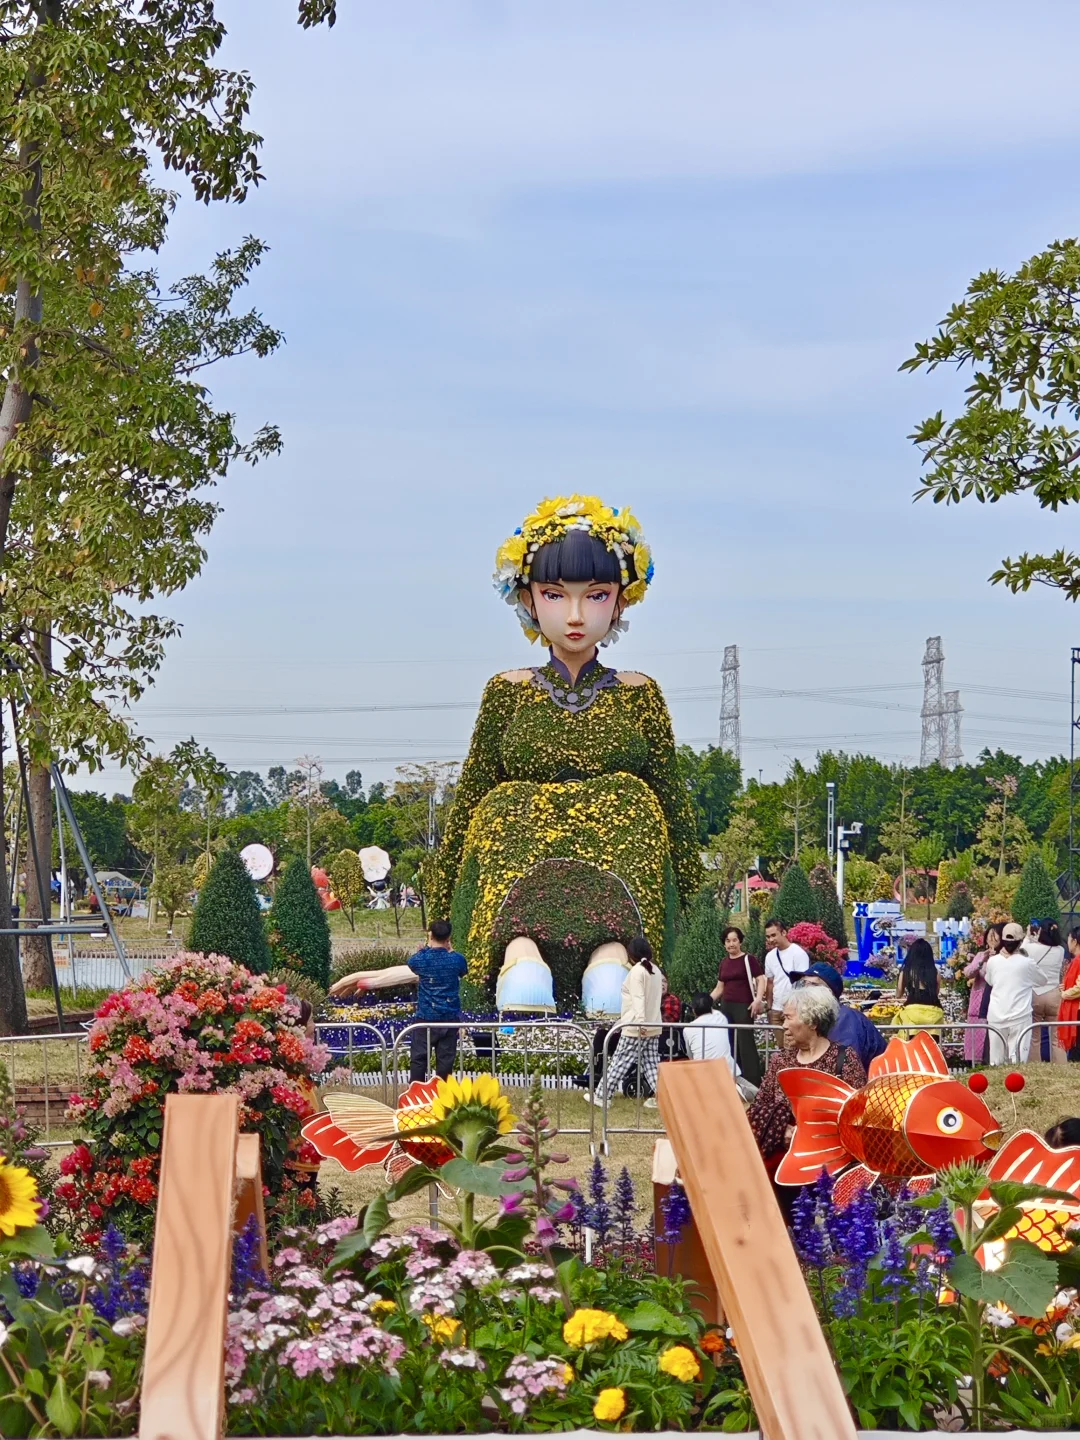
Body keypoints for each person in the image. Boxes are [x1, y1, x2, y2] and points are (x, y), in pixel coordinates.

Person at [424, 496, 703, 1010]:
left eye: (595, 596)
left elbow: (672, 806)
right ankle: (518, 961)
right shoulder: (507, 690)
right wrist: (440, 912)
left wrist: (699, 909)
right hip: (515, 873)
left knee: (635, 811)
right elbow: (471, 797)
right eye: (556, 595)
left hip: (622, 875)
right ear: (528, 599)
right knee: (503, 818)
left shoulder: (639, 691)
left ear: (621, 601)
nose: (575, 615)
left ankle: (611, 967)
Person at [746, 985, 867, 1220]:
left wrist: (811, 1132)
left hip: (834, 1160)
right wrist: (784, 1129)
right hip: (787, 1161)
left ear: (812, 1021)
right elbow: (758, 1108)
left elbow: (860, 1114)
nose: (783, 1025)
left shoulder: (843, 1059)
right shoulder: (782, 1061)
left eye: (788, 1018)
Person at [592, 936, 664, 1110]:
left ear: (631, 954)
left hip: (636, 1025)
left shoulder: (637, 971)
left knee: (620, 1061)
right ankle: (664, 1097)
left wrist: (640, 1024)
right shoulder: (656, 970)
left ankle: (602, 1095)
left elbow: (638, 998)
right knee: (652, 1064)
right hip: (653, 1025)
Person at [798, 962, 887, 1073]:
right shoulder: (820, 1018)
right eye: (802, 984)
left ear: (828, 992)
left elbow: (843, 1066)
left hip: (875, 1085)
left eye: (812, 985)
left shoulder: (843, 1019)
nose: (804, 990)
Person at [711, 924, 766, 1086]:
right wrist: (705, 1002)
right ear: (724, 943)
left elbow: (761, 979)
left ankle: (753, 1081)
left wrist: (757, 999)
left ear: (740, 941)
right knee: (729, 1042)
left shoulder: (749, 959)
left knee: (745, 1042)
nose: (731, 944)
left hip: (744, 1006)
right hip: (726, 1006)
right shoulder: (724, 963)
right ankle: (735, 1078)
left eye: (734, 940)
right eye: (728, 941)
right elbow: (719, 988)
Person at [985, 921, 1043, 1065]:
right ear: (1020, 941)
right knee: (1018, 1060)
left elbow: (990, 981)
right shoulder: (1027, 962)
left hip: (996, 1015)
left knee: (996, 1060)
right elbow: (1042, 980)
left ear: (1002, 940)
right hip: (1020, 1015)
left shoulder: (993, 961)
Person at [1026, 920, 1066, 1064]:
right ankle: (1061, 1067)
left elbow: (1022, 950)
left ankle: (1035, 1066)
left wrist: (1028, 935)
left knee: (1034, 1036)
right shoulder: (1060, 950)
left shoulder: (1031, 948)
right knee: (1056, 1036)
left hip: (1036, 993)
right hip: (1055, 994)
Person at [963, 924, 1000, 1066]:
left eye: (995, 935)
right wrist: (981, 961)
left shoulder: (1004, 957)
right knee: (978, 1036)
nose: (992, 938)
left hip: (997, 1000)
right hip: (981, 1000)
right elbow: (968, 973)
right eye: (989, 935)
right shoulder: (980, 955)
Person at [763, 918, 811, 1025]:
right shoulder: (770, 956)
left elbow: (803, 982)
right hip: (776, 1009)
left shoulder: (798, 953)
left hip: (794, 1009)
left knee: (793, 1042)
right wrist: (769, 1008)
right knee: (780, 1042)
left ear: (784, 932)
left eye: (773, 935)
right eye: (768, 937)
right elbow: (770, 982)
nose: (770, 939)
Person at [894, 938, 945, 1038]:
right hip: (934, 1014)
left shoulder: (906, 972)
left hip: (912, 1014)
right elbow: (936, 992)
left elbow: (898, 994)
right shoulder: (935, 972)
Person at [683, 992, 736, 1072]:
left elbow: (691, 1056)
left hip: (702, 1073)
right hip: (727, 1073)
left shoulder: (688, 1029)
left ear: (693, 1010)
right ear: (711, 1007)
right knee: (748, 1085)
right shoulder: (721, 1018)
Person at [1058, 927, 1080, 1063]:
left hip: (1077, 1009)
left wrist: (1065, 994)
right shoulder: (1075, 961)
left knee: (1076, 1051)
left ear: (1075, 941)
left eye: (1069, 939)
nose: (1068, 942)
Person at [659, 974, 687, 1062]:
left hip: (665, 1042)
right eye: (659, 981)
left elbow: (666, 1022)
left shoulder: (672, 999)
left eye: (664, 981)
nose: (663, 984)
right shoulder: (647, 998)